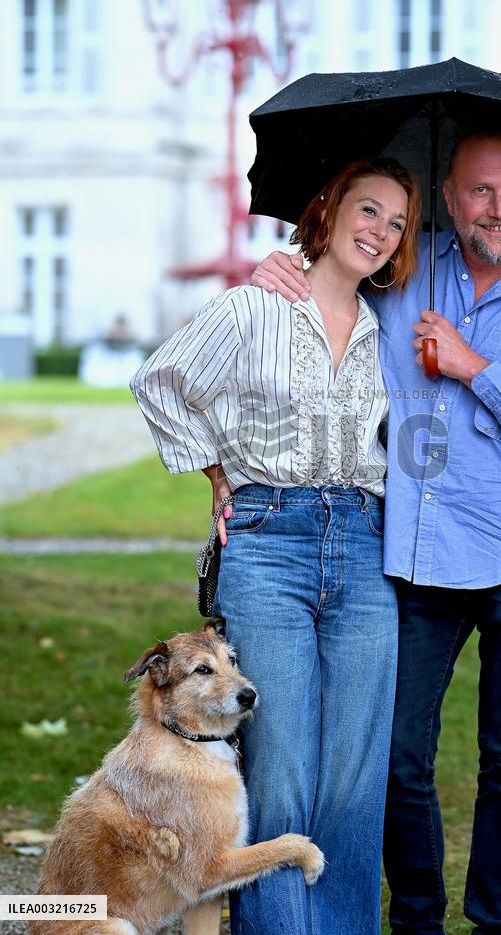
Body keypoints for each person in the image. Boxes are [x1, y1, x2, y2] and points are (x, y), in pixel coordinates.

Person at [251, 133, 501, 935]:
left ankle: (496, 924)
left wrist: (476, 367)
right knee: (397, 762)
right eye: (480, 191)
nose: (500, 209)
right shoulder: (408, 269)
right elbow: (333, 285)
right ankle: (416, 920)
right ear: (449, 197)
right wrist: (277, 272)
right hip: (417, 556)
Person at [130, 157, 422, 935]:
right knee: (283, 768)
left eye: (396, 223)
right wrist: (217, 472)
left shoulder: (382, 326)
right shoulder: (253, 307)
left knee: (358, 777)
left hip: (364, 543)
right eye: (368, 211)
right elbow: (160, 381)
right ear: (327, 211)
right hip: (267, 542)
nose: (381, 233)